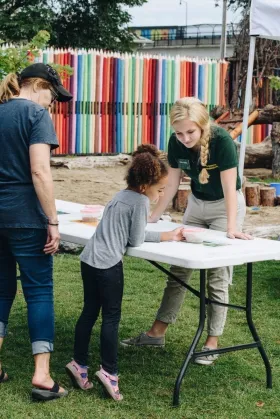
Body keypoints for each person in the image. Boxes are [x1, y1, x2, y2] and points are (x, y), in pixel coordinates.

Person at [121, 97, 252, 365]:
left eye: (190, 132)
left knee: (217, 276)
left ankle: (211, 342)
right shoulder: (175, 142)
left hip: (224, 207)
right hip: (196, 205)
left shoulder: (222, 141)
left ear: (203, 126)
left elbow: (229, 188)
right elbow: (171, 185)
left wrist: (230, 227)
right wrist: (153, 217)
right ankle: (157, 333)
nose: (184, 138)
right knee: (178, 269)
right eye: (179, 132)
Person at [65, 145, 184, 401]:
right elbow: (136, 239)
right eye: (160, 189)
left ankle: (79, 364)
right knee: (111, 318)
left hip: (89, 261)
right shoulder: (140, 201)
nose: (161, 194)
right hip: (109, 265)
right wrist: (165, 236)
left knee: (88, 312)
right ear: (144, 186)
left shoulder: (120, 195)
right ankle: (109, 372)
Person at [0, 63, 72, 400]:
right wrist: (53, 221)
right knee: (39, 291)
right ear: (38, 85)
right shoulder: (35, 115)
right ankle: (42, 376)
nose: (52, 104)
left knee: (1, 291)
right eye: (53, 96)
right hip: (26, 217)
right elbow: (40, 171)